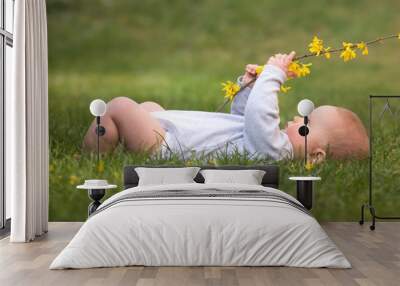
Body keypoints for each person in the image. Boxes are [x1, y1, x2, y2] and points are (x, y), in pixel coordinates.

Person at [83, 52, 369, 162]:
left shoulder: (274, 149)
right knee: (148, 107)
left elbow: (260, 116)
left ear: (316, 156)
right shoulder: (267, 142)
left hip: (166, 146)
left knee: (119, 106)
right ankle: (110, 141)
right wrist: (249, 87)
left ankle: (90, 160)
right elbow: (246, 118)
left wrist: (273, 74)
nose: (296, 118)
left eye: (306, 124)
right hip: (171, 132)